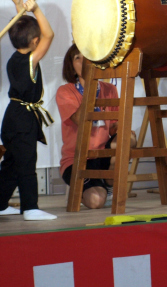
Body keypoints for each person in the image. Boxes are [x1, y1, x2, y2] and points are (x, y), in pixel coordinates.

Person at [0, 0, 56, 221]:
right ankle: (30, 208)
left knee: (11, 163)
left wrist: (18, 5)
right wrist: (36, 10)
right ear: (35, 41)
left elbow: (20, 29)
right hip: (23, 119)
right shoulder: (31, 59)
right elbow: (49, 34)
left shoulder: (15, 58)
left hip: (12, 117)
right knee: (26, 162)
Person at [56, 44, 136, 209]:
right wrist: (90, 87)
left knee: (128, 138)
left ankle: (109, 183)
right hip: (76, 160)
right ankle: (84, 191)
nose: (84, 61)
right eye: (78, 58)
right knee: (95, 201)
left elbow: (114, 126)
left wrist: (123, 130)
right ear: (71, 67)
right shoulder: (65, 91)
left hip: (102, 155)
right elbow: (80, 120)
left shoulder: (110, 89)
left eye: (88, 56)